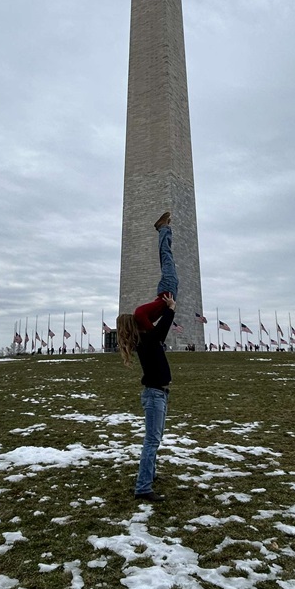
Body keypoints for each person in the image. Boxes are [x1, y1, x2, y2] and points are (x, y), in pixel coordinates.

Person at [116, 211, 177, 502]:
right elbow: (160, 330)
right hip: (155, 395)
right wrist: (170, 309)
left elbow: (156, 328)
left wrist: (167, 309)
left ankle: (149, 474)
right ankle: (143, 487)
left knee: (154, 440)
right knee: (152, 441)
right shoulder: (148, 339)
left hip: (158, 394)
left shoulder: (145, 337)